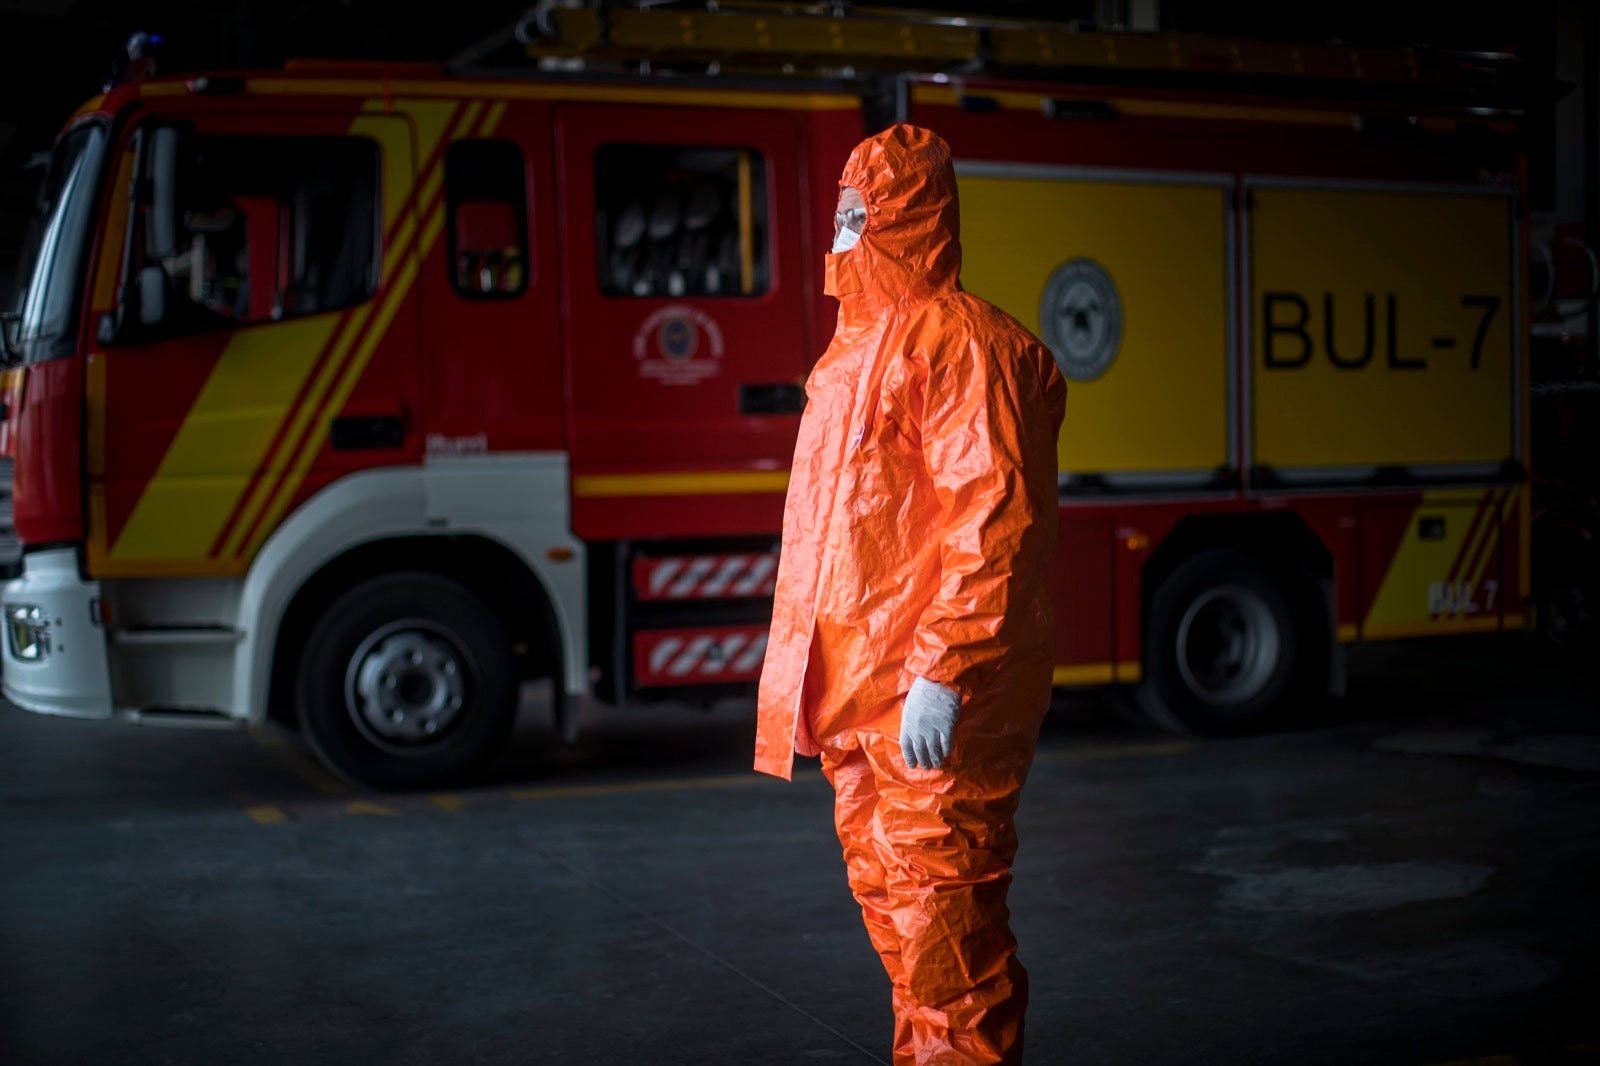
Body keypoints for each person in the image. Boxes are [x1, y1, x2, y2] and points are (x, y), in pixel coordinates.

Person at [755, 124, 1067, 1065]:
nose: (846, 231)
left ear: (909, 214)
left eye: (865, 212)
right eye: (843, 211)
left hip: (929, 701)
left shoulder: (969, 346)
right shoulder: (843, 362)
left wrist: (947, 668)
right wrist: (800, 685)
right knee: (903, 933)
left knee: (950, 944)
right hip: (855, 698)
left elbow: (994, 521)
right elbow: (826, 538)